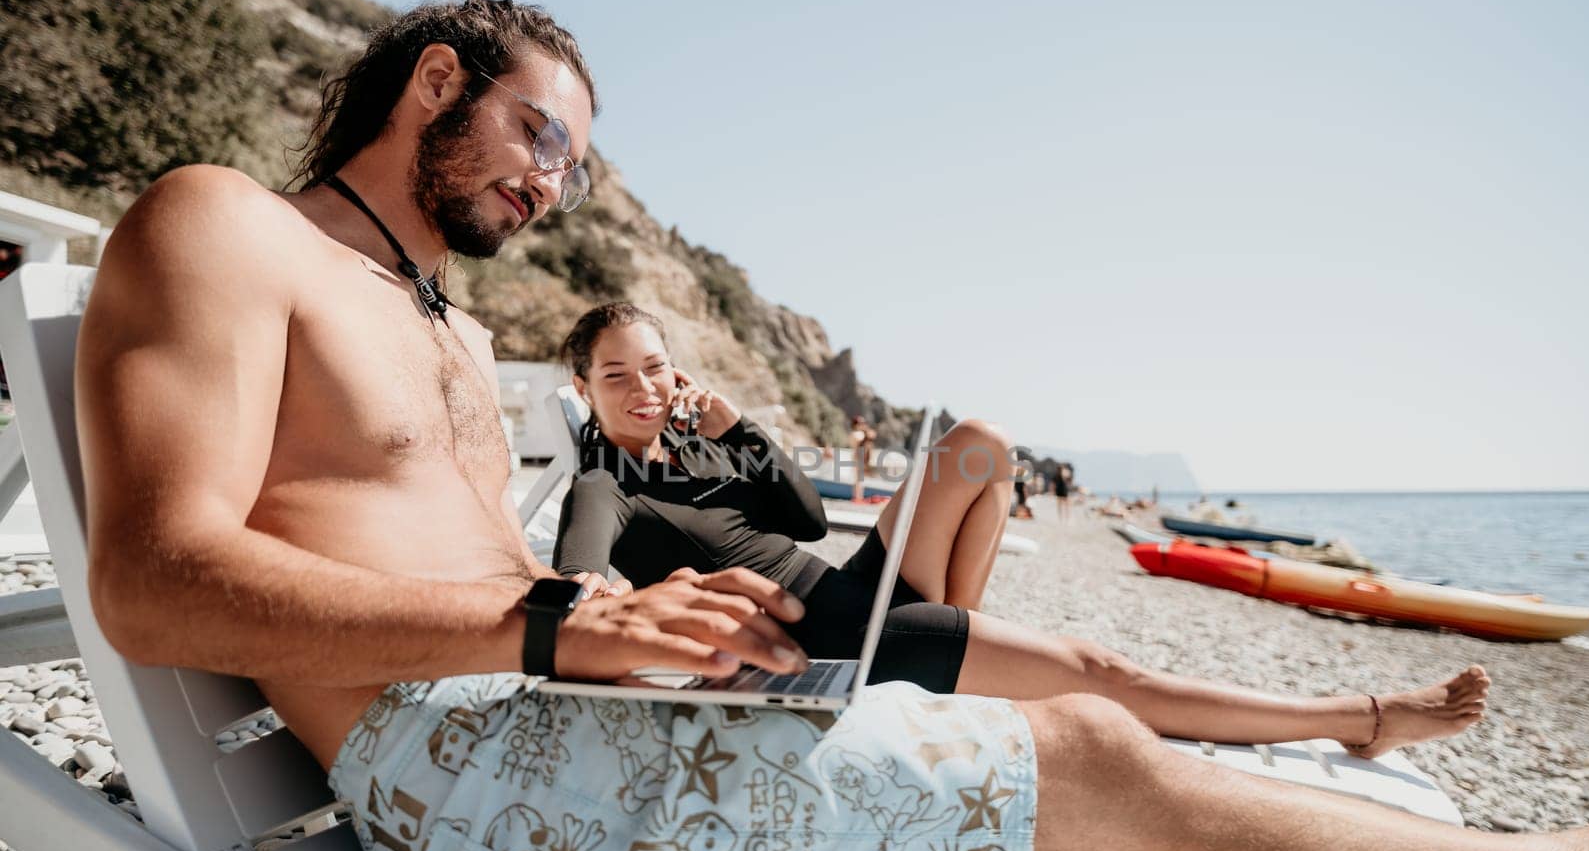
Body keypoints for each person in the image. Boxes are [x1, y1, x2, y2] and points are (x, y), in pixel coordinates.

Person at [74, 0, 1589, 851]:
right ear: (434, 82)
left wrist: (637, 629)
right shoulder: (225, 228)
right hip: (487, 815)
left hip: (565, 744)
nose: (549, 187)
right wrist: (555, 620)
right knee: (1086, 750)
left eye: (576, 170)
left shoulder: (452, 328)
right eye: (541, 133)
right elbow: (152, 580)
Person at [553, 303, 1490, 756]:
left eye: (658, 369)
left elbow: (802, 517)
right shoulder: (609, 483)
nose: (645, 391)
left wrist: (739, 428)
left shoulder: (709, 453)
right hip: (837, 640)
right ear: (587, 393)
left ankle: (961, 656)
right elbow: (580, 577)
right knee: (1101, 673)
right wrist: (593, 592)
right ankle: (1361, 720)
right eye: (617, 377)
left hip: (851, 586)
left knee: (980, 447)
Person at [848, 413, 876, 502]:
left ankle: (858, 497)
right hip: (858, 458)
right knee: (859, 479)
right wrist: (867, 433)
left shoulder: (859, 433)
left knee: (860, 479)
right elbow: (862, 443)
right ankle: (857, 498)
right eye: (861, 423)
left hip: (861, 458)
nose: (863, 425)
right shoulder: (856, 434)